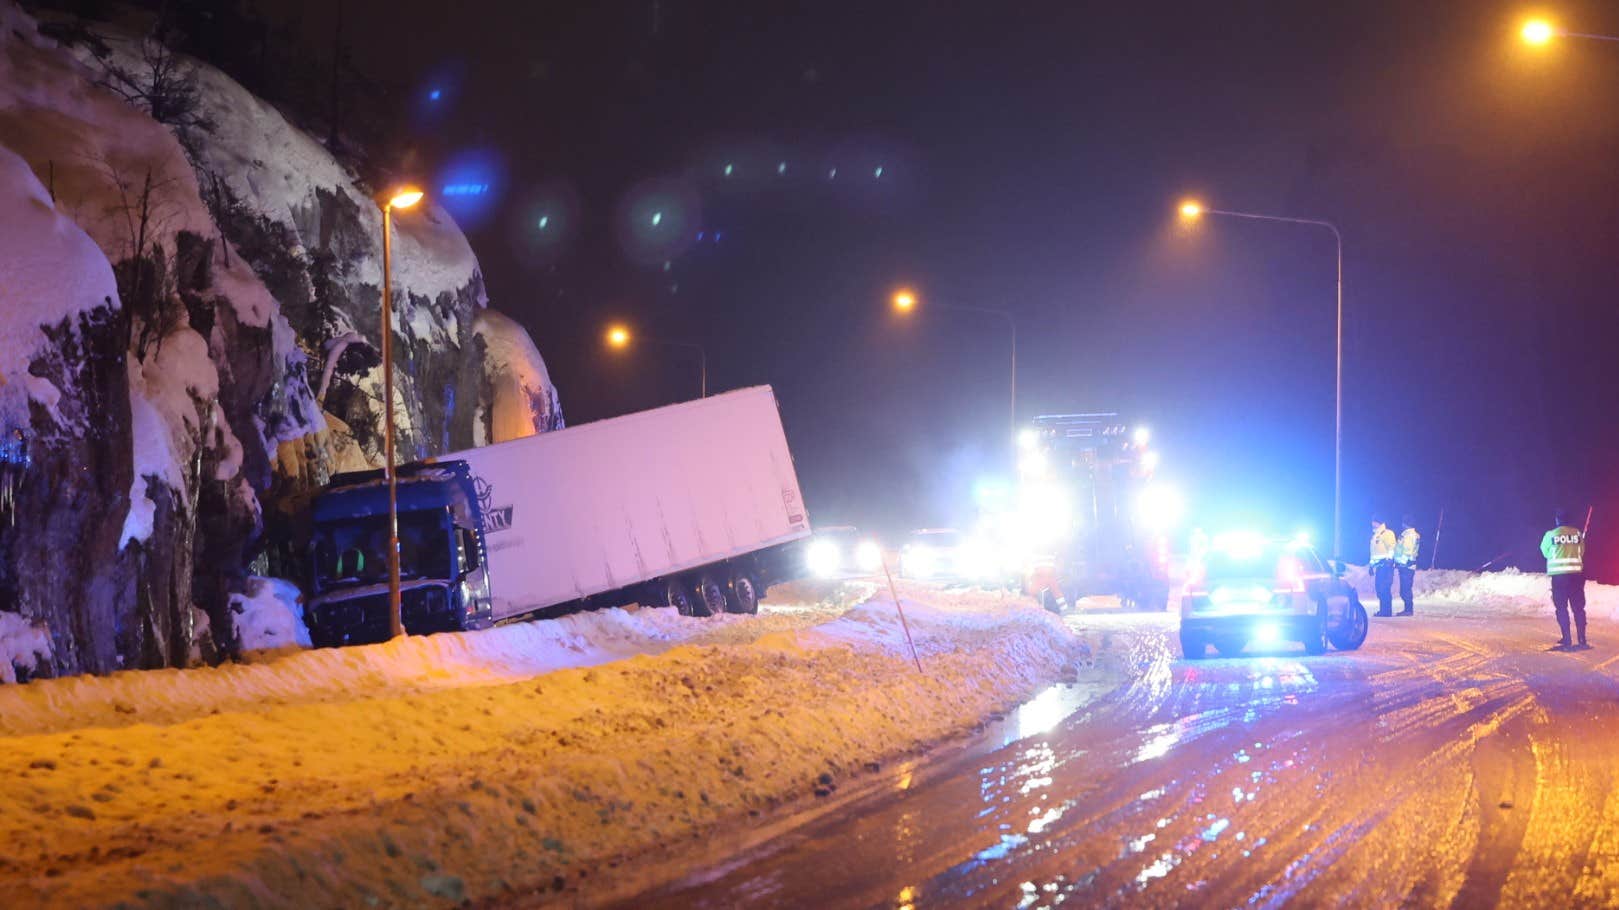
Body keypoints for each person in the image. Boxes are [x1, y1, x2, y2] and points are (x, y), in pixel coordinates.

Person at [1541, 510, 1588, 650]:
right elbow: (1582, 552)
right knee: (1578, 608)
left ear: (1557, 520)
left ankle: (1567, 638)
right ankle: (1582, 638)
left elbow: (1545, 552)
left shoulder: (1550, 535)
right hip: (1576, 576)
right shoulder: (1578, 534)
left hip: (1559, 577)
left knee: (1561, 608)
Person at [1393, 515, 1421, 616]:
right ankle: (1408, 609)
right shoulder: (1411, 534)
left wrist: (1402, 562)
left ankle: (1408, 610)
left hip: (1406, 566)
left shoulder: (1409, 535)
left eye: (1403, 522)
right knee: (1405, 589)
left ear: (1405, 523)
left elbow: (1407, 551)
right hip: (1407, 565)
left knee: (1405, 589)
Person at [1370, 516, 1397, 617]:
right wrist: (1371, 566)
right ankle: (1383, 610)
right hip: (1379, 567)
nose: (1372, 523)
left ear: (1378, 522)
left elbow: (1392, 547)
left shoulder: (1387, 533)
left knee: (1385, 588)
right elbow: (1374, 553)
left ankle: (1386, 611)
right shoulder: (1376, 535)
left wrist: (1389, 560)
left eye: (1373, 521)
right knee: (1379, 589)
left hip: (1386, 566)